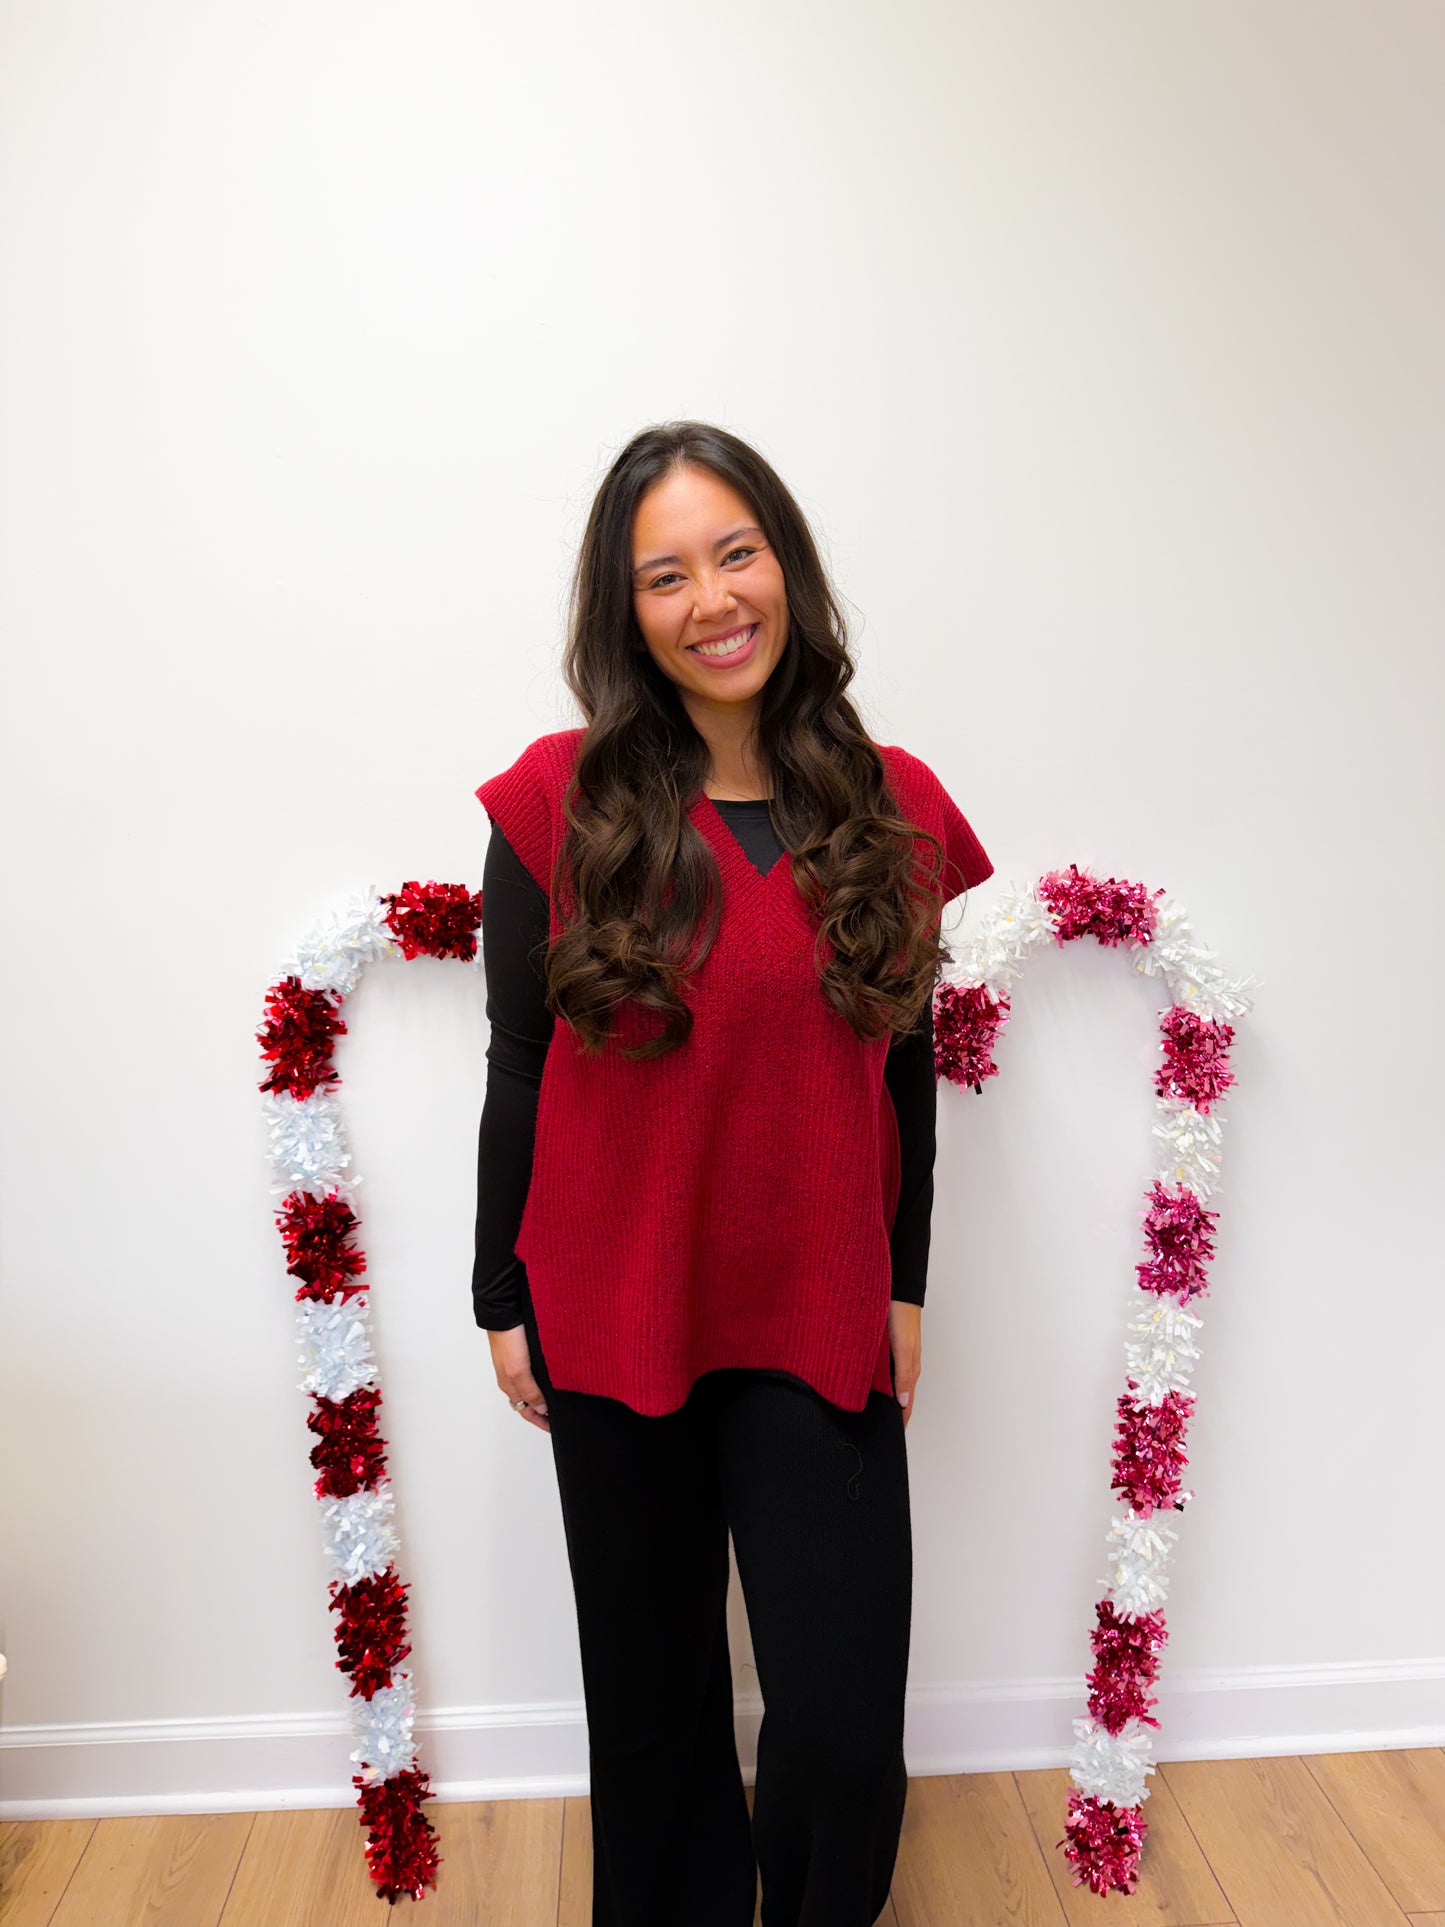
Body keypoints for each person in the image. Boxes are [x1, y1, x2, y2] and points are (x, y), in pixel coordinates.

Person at [471, 420, 992, 1927]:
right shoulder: (554, 801)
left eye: (736, 553)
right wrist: (499, 1288)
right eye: (664, 575)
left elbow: (903, 1071)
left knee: (837, 1720)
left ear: (786, 566)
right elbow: (517, 1062)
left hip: (816, 1303)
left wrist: (901, 1283)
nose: (711, 598)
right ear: (622, 612)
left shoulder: (888, 806)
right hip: (613, 1296)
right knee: (650, 1710)